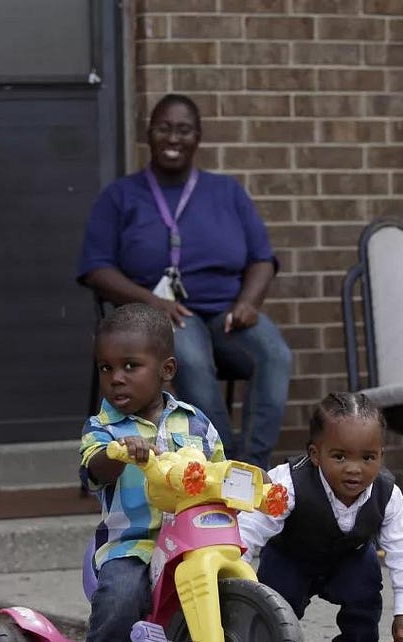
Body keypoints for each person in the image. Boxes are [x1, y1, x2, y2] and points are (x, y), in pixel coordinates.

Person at [77, 92, 291, 469]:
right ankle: (220, 466)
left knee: (274, 354)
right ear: (149, 134)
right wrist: (151, 301)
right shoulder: (120, 196)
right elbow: (97, 268)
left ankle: (250, 466)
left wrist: (249, 303)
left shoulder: (227, 192)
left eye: (184, 130)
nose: (173, 138)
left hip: (227, 312)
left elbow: (262, 259)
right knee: (189, 358)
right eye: (164, 128)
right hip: (164, 314)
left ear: (198, 138)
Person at [73, 303, 225, 642]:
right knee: (121, 596)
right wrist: (118, 454)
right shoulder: (102, 427)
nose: (116, 377)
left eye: (130, 366)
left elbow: (219, 472)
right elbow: (93, 469)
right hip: (134, 545)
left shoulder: (196, 423)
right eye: (106, 368)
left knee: (244, 582)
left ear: (166, 369)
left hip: (196, 543)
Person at [238, 392, 403, 642]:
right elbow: (249, 529)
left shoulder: (387, 493)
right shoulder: (287, 483)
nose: (354, 468)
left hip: (347, 559)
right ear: (315, 454)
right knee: (274, 604)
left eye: (368, 457)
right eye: (339, 456)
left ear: (381, 455)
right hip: (291, 557)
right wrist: (235, 574)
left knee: (364, 587)